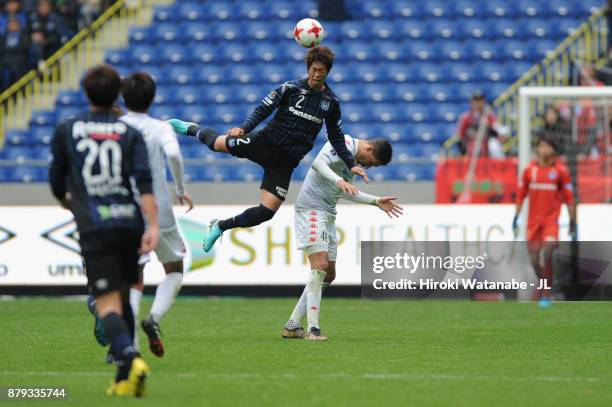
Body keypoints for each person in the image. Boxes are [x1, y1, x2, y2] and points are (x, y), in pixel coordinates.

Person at [168, 46, 369, 252]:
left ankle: (220, 226)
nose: (317, 74)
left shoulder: (331, 103)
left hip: (284, 164)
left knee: (266, 212)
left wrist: (351, 164)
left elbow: (335, 135)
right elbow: (263, 110)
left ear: (328, 72)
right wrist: (244, 128)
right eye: (314, 69)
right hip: (263, 144)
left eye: (321, 71)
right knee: (218, 144)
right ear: (308, 68)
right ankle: (190, 129)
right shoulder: (289, 89)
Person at [49, 64, 158, 397]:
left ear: (86, 93)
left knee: (106, 303)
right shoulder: (131, 133)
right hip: (129, 221)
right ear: (117, 96)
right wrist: (152, 224)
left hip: (96, 224)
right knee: (124, 297)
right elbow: (145, 183)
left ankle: (130, 355)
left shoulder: (68, 129)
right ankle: (124, 379)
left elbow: (56, 181)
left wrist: (71, 203)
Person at [282, 136, 402, 340]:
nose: (367, 166)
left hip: (327, 212)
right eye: (370, 163)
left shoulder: (351, 162)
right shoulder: (343, 143)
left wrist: (375, 201)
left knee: (329, 273)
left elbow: (346, 190)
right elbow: (318, 163)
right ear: (370, 149)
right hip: (311, 209)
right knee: (319, 265)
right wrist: (338, 180)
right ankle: (313, 329)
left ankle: (293, 325)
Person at [120, 71, 193, 358]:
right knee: (174, 269)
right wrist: (180, 188)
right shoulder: (161, 128)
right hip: (159, 210)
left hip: (125, 209)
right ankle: (154, 318)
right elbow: (174, 155)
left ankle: (131, 346)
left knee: (133, 276)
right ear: (152, 98)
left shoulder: (116, 127)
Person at [512, 135, 576, 308]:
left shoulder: (561, 171)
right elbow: (520, 195)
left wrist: (572, 221)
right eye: (542, 146)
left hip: (550, 222)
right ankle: (545, 286)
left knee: (547, 252)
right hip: (533, 223)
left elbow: (570, 199)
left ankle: (546, 293)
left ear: (553, 150)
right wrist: (515, 217)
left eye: (548, 146)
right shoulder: (529, 171)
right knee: (533, 260)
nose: (545, 149)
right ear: (538, 149)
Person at [455, 91, 503, 158]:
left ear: (483, 102)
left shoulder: (489, 116)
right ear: (471, 102)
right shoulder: (466, 117)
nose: (478, 104)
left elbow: (497, 133)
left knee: (494, 146)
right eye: (475, 101)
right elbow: (461, 135)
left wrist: (489, 125)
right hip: (471, 151)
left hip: (487, 151)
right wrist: (463, 151)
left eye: (480, 101)